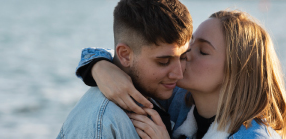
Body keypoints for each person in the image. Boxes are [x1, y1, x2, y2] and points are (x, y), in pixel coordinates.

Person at [76, 10, 286, 139]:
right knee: (100, 100)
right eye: (189, 45)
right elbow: (132, 57)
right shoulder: (182, 100)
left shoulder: (252, 137)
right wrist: (101, 67)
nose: (186, 54)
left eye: (203, 51)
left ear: (237, 71)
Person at [56, 0, 193, 138]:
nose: (179, 74)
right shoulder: (103, 123)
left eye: (183, 58)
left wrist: (96, 63)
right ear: (125, 55)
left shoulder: (165, 91)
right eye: (164, 61)